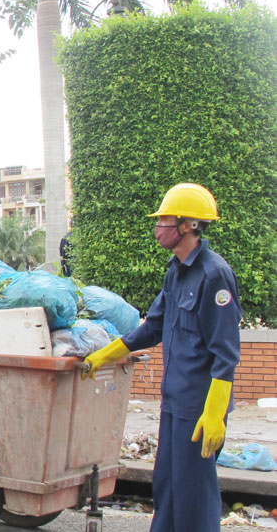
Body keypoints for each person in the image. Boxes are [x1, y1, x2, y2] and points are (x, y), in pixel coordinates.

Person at [84, 183, 241, 532]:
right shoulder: (176, 271)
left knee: (194, 495)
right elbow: (152, 327)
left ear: (188, 226)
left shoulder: (214, 276)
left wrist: (215, 414)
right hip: (173, 404)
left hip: (199, 409)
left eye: (166, 220)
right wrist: (104, 355)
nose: (159, 227)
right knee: (167, 486)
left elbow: (226, 353)